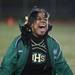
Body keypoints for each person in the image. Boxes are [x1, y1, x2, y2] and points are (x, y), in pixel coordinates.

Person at [0, 8, 73, 75]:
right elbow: (7, 67)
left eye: (45, 19)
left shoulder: (53, 44)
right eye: (39, 19)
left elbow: (63, 68)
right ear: (31, 24)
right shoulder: (19, 43)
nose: (44, 21)